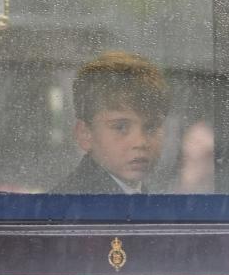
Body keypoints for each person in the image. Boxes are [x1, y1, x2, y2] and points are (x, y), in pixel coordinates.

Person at [53, 51, 171, 194]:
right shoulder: (74, 203)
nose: (140, 142)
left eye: (151, 127)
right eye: (120, 127)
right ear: (85, 134)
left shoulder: (143, 196)